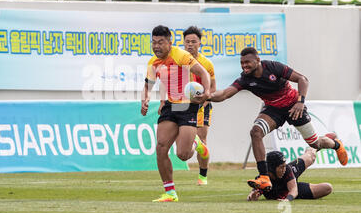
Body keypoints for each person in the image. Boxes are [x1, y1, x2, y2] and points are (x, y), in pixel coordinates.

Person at [208, 47, 348, 192]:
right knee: (256, 132)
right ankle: (264, 177)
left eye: (247, 62)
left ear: (258, 60)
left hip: (294, 106)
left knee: (315, 143)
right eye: (242, 63)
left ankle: (336, 145)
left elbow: (303, 79)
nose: (244, 66)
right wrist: (208, 96)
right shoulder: (245, 79)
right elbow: (224, 94)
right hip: (273, 110)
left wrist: (300, 102)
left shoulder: (273, 67)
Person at [141, 25, 211, 202]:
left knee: (183, 155)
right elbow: (148, 84)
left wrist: (207, 92)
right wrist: (145, 99)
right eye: (154, 42)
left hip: (188, 106)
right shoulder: (153, 63)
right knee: (161, 147)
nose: (156, 46)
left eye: (161, 42)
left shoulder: (180, 55)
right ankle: (170, 192)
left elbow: (203, 73)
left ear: (169, 42)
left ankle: (197, 143)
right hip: (170, 105)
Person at [183, 26, 217, 186]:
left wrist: (204, 102)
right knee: (186, 144)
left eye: (193, 41)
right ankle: (195, 144)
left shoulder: (206, 64)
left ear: (200, 43)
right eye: (187, 42)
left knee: (203, 139)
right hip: (182, 106)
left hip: (202, 106)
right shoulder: (179, 61)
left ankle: (203, 177)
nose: (190, 44)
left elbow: (213, 88)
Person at [247, 149, 333, 201]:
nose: (284, 169)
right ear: (272, 168)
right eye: (281, 167)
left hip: (292, 180)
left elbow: (294, 189)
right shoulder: (264, 178)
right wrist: (253, 196)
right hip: (288, 191)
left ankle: (315, 145)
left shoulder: (287, 169)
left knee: (311, 156)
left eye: (284, 166)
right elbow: (253, 194)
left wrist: (288, 199)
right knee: (327, 188)